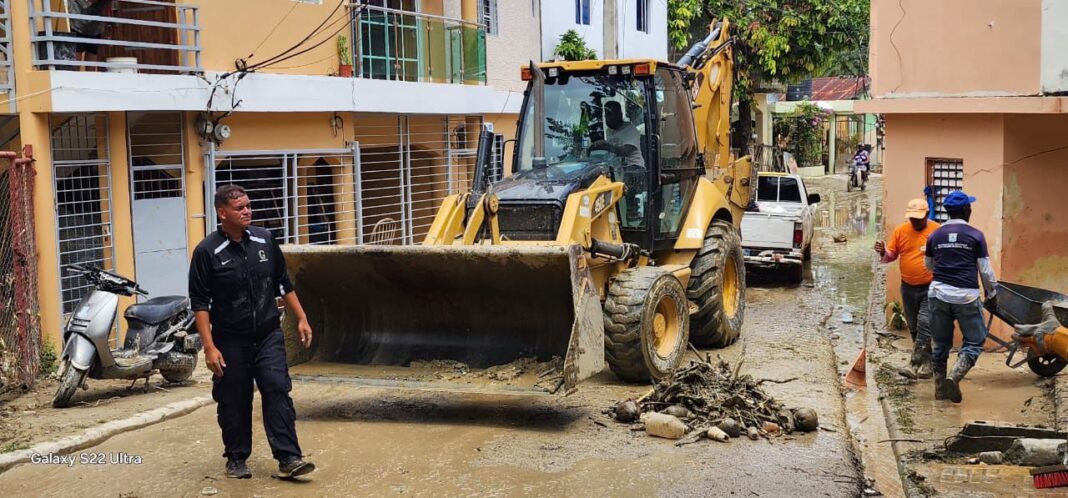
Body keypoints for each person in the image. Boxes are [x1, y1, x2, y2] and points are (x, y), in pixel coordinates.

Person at [189, 185, 316, 479]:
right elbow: (200, 303)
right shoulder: (207, 252)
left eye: (248, 206)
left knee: (276, 388)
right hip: (230, 340)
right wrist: (209, 347)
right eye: (240, 208)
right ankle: (236, 458)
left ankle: (289, 458)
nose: (247, 211)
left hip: (268, 335)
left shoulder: (265, 239)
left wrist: (302, 317)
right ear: (222, 213)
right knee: (234, 398)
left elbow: (282, 283)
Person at [924, 191, 998, 403]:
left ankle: (940, 389)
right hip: (966, 296)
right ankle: (954, 377)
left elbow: (928, 265)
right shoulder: (976, 235)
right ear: (967, 210)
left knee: (940, 343)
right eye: (969, 207)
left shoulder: (935, 235)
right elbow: (985, 271)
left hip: (938, 294)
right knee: (975, 341)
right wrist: (991, 293)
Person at [875, 199, 940, 379]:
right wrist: (882, 252)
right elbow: (891, 255)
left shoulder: (936, 230)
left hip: (930, 287)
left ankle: (913, 363)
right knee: (914, 327)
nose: (915, 221)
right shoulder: (901, 230)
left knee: (924, 323)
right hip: (908, 287)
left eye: (919, 218)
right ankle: (928, 363)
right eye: (912, 218)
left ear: (927, 214)